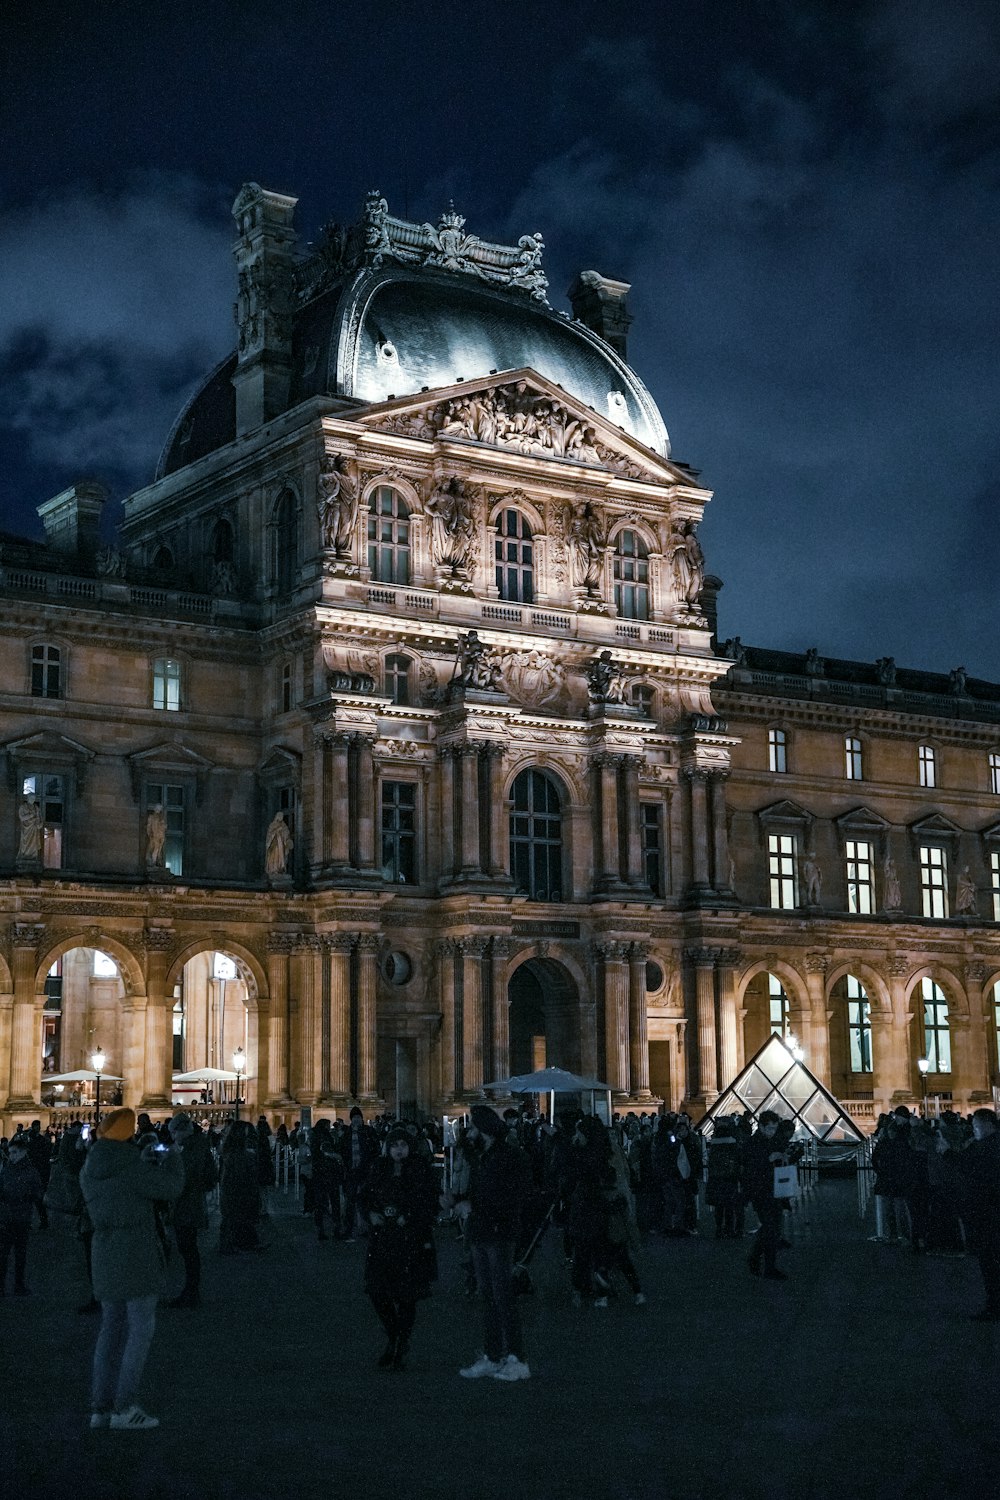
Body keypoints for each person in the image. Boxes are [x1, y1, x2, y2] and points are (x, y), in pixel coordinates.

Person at [80, 1107, 183, 1430]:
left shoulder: (90, 1167)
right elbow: (170, 1188)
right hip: (135, 1255)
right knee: (140, 1331)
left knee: (110, 1331)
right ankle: (124, 1407)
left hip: (104, 1254)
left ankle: (101, 1408)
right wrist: (173, 1157)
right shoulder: (130, 1166)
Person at [456, 1105, 532, 1381]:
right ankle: (493, 1355)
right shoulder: (482, 1157)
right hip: (481, 1233)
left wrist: (473, 1206)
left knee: (503, 1298)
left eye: (473, 1127)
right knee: (489, 1298)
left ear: (485, 1130)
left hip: (499, 1234)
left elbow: (511, 1197)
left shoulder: (509, 1158)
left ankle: (517, 1358)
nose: (468, 1132)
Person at [361, 1128, 437, 1369]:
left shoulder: (420, 1169)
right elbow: (364, 1196)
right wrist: (370, 1213)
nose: (399, 1149)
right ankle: (395, 1337)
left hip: (410, 1242)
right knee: (377, 1292)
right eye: (395, 1145)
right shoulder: (378, 1168)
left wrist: (410, 1216)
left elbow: (429, 1201)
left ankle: (399, 1344)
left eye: (403, 1145)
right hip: (383, 1240)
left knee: (407, 1297)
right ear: (388, 1147)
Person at [940, 1108, 1000, 1320]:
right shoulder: (988, 1145)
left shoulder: (987, 1147)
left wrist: (947, 1152)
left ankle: (994, 1306)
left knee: (990, 1263)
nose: (973, 1129)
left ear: (987, 1125)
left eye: (976, 1126)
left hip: (987, 1215)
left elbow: (970, 1168)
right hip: (986, 1212)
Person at [164, 1113, 217, 1308]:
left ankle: (191, 1292)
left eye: (173, 1132)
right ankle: (191, 1290)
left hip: (186, 1204)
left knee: (188, 1250)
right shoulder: (197, 1145)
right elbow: (211, 1177)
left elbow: (182, 1179)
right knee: (189, 1249)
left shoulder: (189, 1149)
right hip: (193, 1202)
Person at [744, 1111, 788, 1280]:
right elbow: (749, 1166)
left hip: (774, 1190)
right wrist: (768, 1158)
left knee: (773, 1228)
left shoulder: (775, 1140)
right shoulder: (753, 1142)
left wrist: (783, 1156)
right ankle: (767, 1266)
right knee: (770, 1228)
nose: (772, 1131)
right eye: (769, 1128)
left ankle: (755, 1258)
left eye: (774, 1128)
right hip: (759, 1192)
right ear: (761, 1126)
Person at [0, 1134, 44, 1294]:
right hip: (9, 1217)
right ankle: (6, 1285)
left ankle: (17, 1285)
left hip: (19, 1217)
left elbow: (38, 1193)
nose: (11, 1156)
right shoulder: (8, 1170)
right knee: (5, 1254)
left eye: (14, 1152)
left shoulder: (28, 1171)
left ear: (23, 1152)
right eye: (10, 1152)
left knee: (18, 1255)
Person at [218, 1120, 261, 1254]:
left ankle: (240, 1243)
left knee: (237, 1218)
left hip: (235, 1191)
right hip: (238, 1191)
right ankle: (237, 1244)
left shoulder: (231, 1151)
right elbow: (240, 1176)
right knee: (239, 1217)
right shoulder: (237, 1154)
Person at [339, 1106, 379, 1241]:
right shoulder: (346, 1134)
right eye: (354, 1118)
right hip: (351, 1172)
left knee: (366, 1201)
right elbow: (342, 1151)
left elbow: (376, 1150)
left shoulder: (368, 1132)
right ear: (351, 1119)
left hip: (366, 1171)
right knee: (350, 1202)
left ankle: (368, 1228)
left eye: (358, 1117)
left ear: (361, 1118)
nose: (357, 1120)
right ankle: (349, 1229)